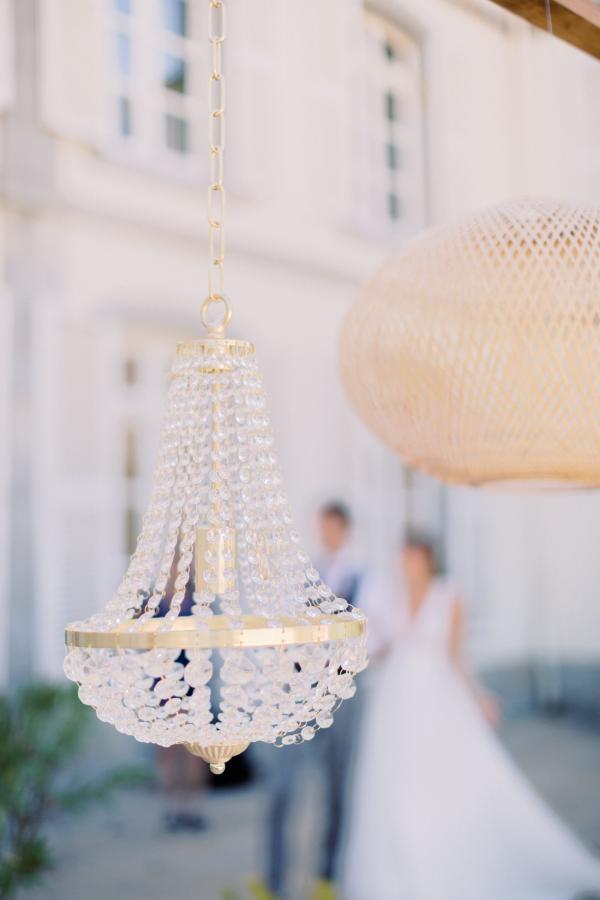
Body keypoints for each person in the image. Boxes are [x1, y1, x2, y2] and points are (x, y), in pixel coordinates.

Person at [343, 533, 600, 900]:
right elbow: (384, 646)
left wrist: (478, 696)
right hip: (394, 700)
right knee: (390, 779)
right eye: (402, 557)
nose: (406, 564)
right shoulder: (390, 597)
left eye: (412, 557)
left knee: (436, 778)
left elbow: (455, 656)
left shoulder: (448, 596)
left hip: (432, 698)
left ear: (428, 558)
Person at [266, 501, 362, 899]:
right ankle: (274, 880)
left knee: (339, 788)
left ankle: (327, 876)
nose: (326, 534)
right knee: (282, 786)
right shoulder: (307, 576)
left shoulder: (362, 574)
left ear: (344, 528)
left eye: (332, 527)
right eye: (322, 527)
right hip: (302, 692)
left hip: (342, 694)